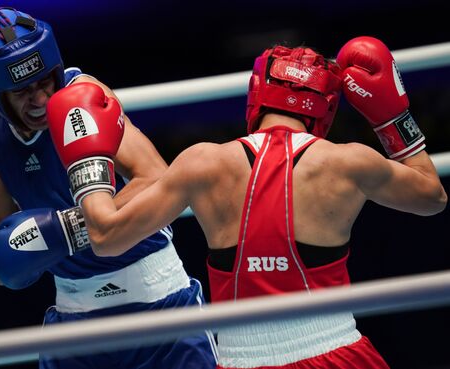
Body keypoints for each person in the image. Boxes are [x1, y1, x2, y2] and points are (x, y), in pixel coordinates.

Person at [46, 36, 447, 368]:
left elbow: (105, 235)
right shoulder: (347, 162)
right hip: (337, 351)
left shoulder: (202, 163)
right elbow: (432, 198)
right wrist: (392, 118)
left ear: (256, 96)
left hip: (240, 357)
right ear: (324, 108)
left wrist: (88, 161)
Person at [0, 5, 217, 369]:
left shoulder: (82, 97)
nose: (39, 100)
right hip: (74, 318)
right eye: (22, 91)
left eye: (44, 82)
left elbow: (160, 182)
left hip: (160, 302)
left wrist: (68, 229)